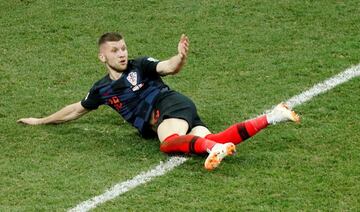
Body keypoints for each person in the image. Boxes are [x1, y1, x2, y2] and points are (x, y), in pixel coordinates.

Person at [17, 32, 300, 170]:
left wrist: (181, 57)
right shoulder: (102, 89)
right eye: (114, 50)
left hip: (170, 105)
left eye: (123, 48)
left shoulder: (141, 65)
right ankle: (274, 116)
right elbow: (75, 110)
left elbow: (169, 66)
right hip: (175, 112)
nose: (122, 54)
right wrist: (41, 120)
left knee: (168, 143)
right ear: (102, 57)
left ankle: (212, 147)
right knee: (212, 140)